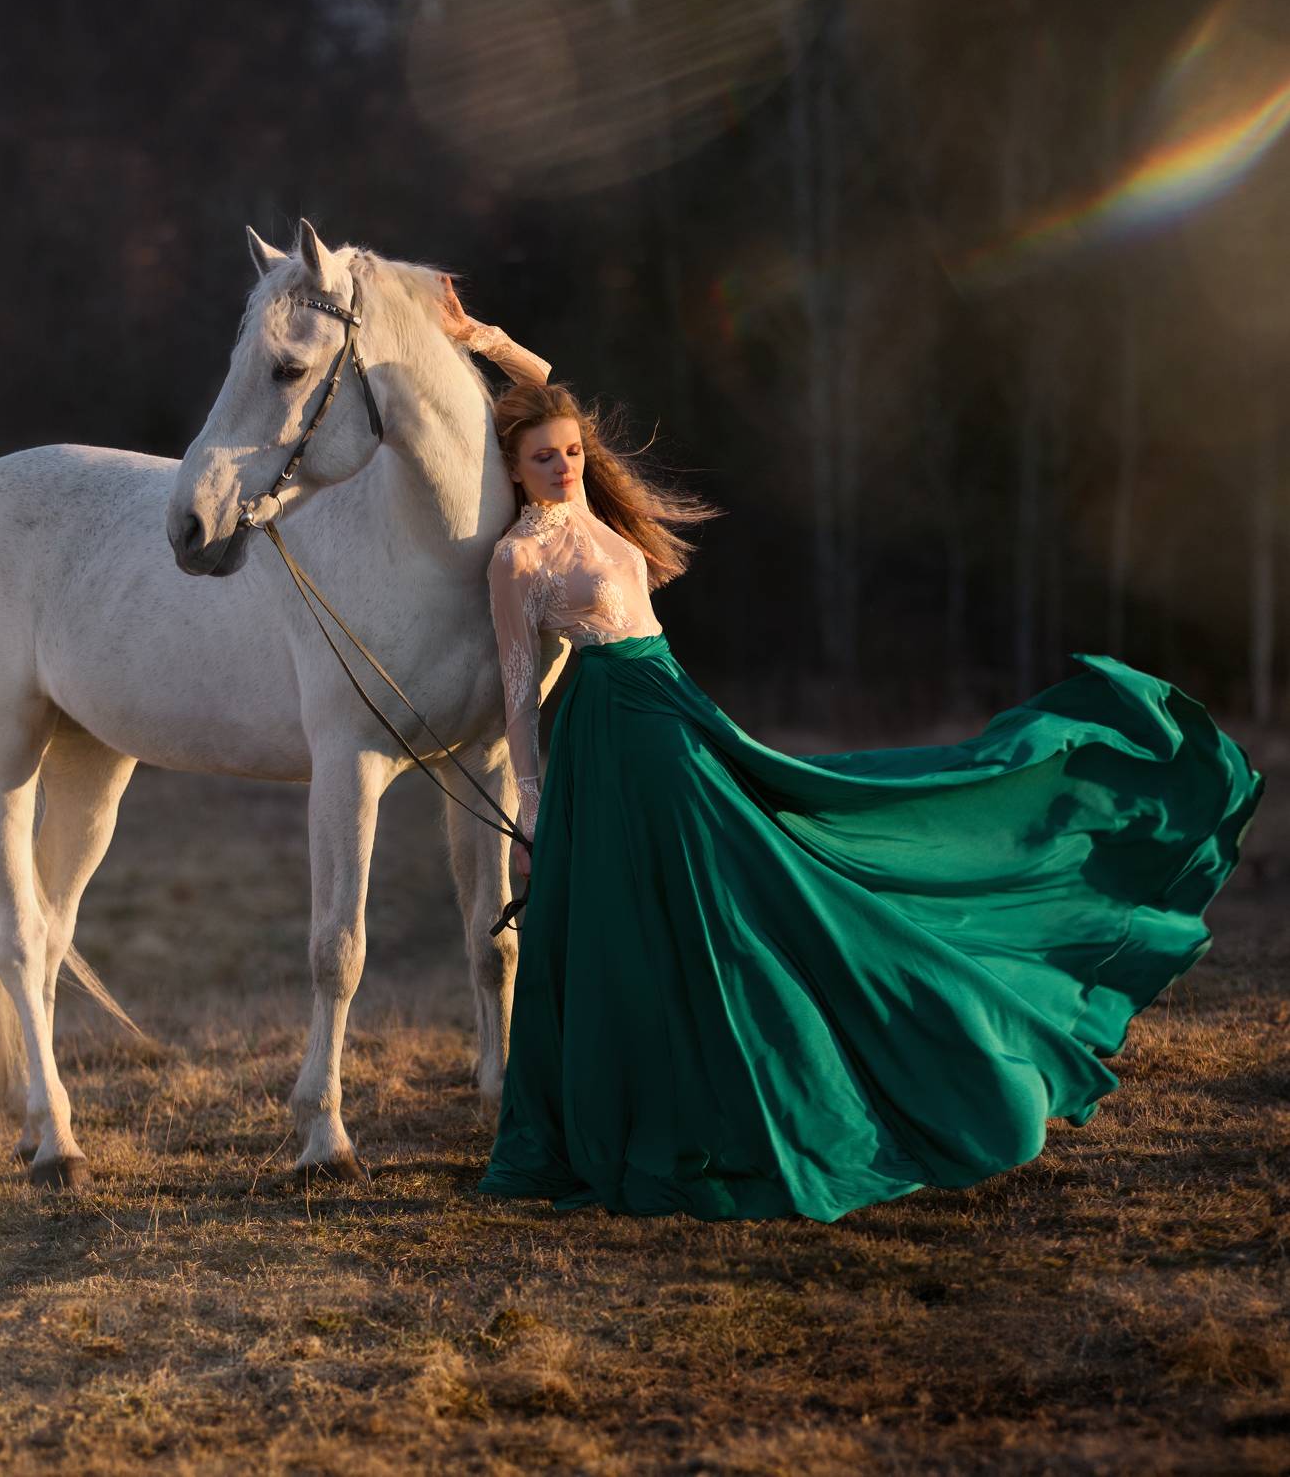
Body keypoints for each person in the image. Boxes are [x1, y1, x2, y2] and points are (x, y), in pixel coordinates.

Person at [446, 281, 1267, 1224]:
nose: (563, 466)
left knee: (772, 868)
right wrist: (533, 805)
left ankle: (775, 1066)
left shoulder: (590, 510)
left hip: (675, 703)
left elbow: (549, 386)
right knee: (714, 903)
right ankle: (709, 1097)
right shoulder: (518, 560)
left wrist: (483, 336)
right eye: (543, 458)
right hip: (622, 735)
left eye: (571, 452)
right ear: (513, 470)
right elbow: (520, 693)